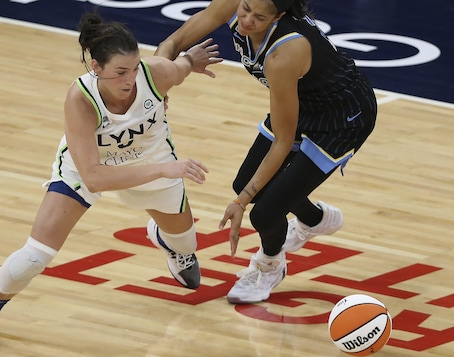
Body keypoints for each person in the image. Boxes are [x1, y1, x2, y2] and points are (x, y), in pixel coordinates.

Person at [0, 12, 221, 349]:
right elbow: (94, 178)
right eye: (120, 72)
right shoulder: (80, 99)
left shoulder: (157, 75)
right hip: (90, 168)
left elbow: (176, 59)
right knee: (36, 255)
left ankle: (169, 243)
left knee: (186, 244)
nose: (130, 79)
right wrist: (166, 170)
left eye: (135, 67)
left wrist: (188, 60)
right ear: (96, 67)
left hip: (150, 157)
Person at [155, 0, 377, 304]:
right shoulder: (239, 4)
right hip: (301, 102)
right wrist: (158, 85)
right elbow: (174, 41)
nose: (246, 20)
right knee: (248, 184)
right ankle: (314, 219)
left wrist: (240, 202)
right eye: (245, 8)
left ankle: (270, 265)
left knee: (264, 212)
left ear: (279, 17)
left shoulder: (283, 55)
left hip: (342, 116)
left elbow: (282, 141)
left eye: (259, 17)